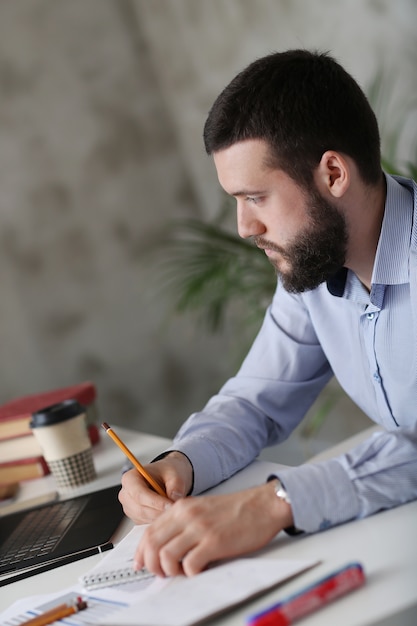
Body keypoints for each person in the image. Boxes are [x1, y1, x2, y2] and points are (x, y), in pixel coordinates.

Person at [119, 49, 417, 578]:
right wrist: (180, 463)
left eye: (255, 197)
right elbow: (254, 403)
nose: (243, 227)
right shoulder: (315, 273)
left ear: (332, 173)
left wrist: (273, 503)